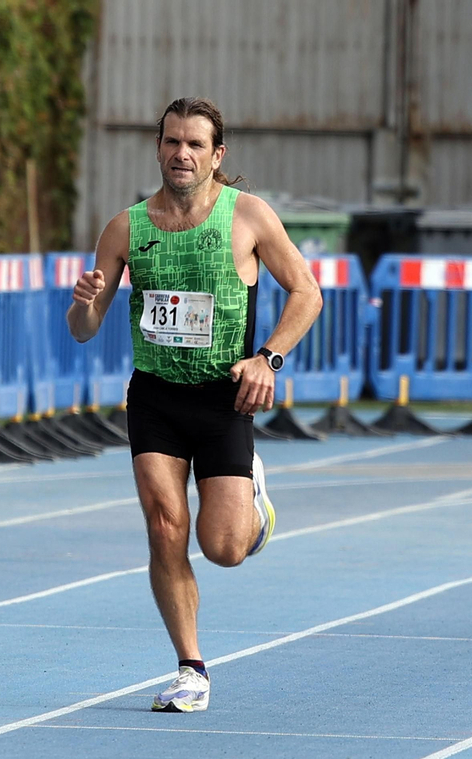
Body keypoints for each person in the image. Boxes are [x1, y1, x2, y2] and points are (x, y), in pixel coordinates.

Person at [66, 97, 322, 713]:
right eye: (172, 142)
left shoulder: (249, 217)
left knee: (224, 548)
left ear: (216, 155)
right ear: (158, 148)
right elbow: (83, 328)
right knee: (163, 528)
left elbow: (306, 293)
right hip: (155, 395)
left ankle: (253, 503)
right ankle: (191, 668)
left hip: (222, 396)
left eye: (195, 145)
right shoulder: (126, 228)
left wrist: (268, 358)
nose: (182, 154)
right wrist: (83, 301)